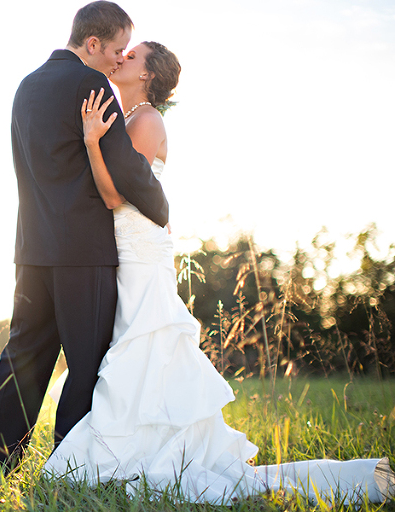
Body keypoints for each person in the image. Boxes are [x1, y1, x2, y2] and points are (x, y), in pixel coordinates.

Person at [43, 41, 395, 503]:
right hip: (124, 250)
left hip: (140, 255)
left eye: (133, 56)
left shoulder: (147, 121)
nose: (123, 58)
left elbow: (116, 198)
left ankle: (141, 452)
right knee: (135, 349)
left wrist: (91, 142)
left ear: (148, 75)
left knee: (144, 343)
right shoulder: (127, 120)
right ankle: (139, 447)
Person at [0, 1, 169, 471]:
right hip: (84, 252)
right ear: (92, 44)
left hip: (33, 249)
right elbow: (123, 164)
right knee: (87, 363)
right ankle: (71, 465)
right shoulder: (90, 83)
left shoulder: (27, 86)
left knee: (23, 354)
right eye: (117, 48)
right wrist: (160, 205)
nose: (119, 59)